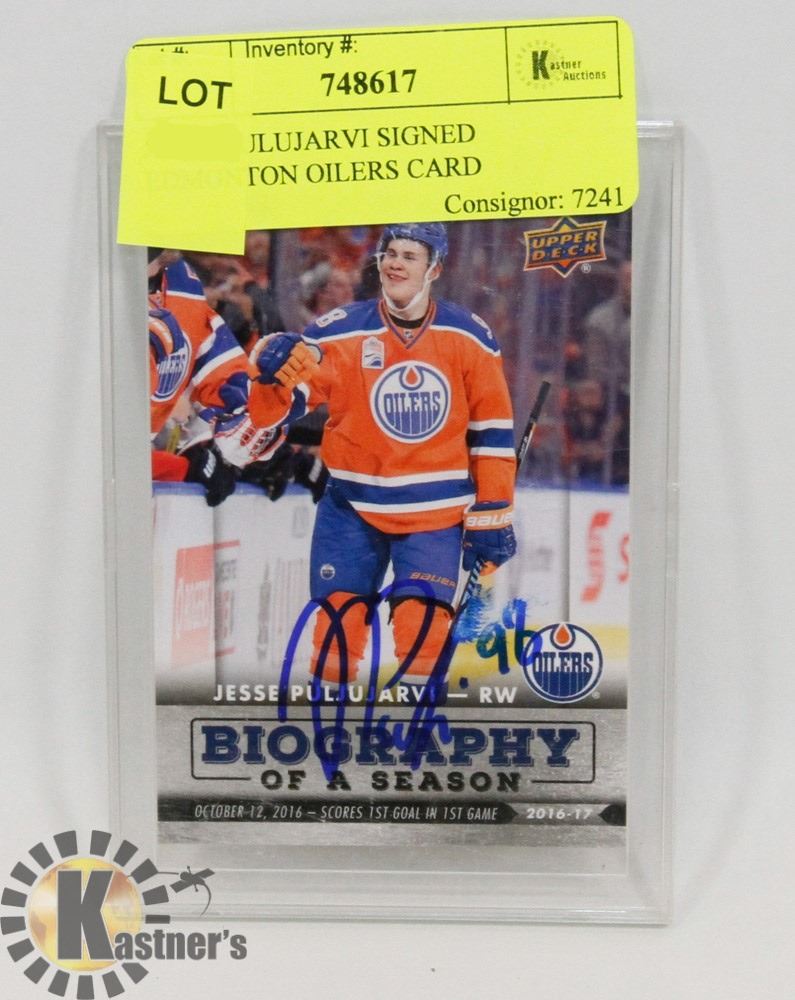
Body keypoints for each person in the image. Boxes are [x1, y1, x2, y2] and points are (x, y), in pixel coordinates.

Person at [248, 223, 517, 689]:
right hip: (351, 505)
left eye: (410, 256)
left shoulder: (469, 336)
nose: (395, 263)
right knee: (337, 626)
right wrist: (269, 378)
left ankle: (416, 725)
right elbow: (273, 413)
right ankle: (327, 722)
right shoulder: (337, 332)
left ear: (434, 268)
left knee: (422, 630)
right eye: (390, 253)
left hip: (435, 512)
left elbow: (491, 431)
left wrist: (493, 508)